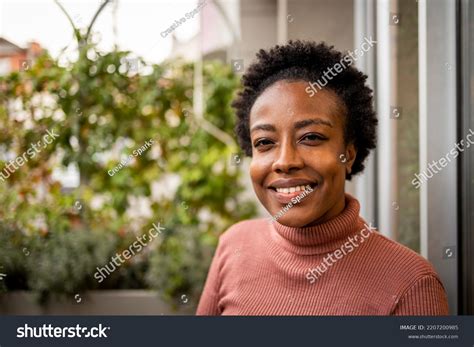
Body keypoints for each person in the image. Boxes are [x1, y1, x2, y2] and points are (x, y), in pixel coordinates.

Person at [196, 41, 449, 315]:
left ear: (349, 154)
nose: (284, 161)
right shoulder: (234, 246)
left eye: (311, 137)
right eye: (265, 142)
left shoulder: (411, 284)